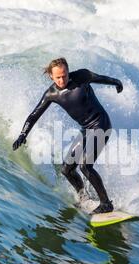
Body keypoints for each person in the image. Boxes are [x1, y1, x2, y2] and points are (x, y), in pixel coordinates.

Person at [12, 58, 123, 214]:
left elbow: (100, 78)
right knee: (67, 169)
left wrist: (117, 82)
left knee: (85, 165)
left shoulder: (81, 76)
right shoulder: (52, 94)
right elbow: (34, 115)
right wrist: (23, 134)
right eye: (58, 77)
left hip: (101, 124)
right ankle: (84, 198)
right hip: (86, 129)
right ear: (51, 76)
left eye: (64, 75)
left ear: (68, 71)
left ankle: (106, 204)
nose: (62, 79)